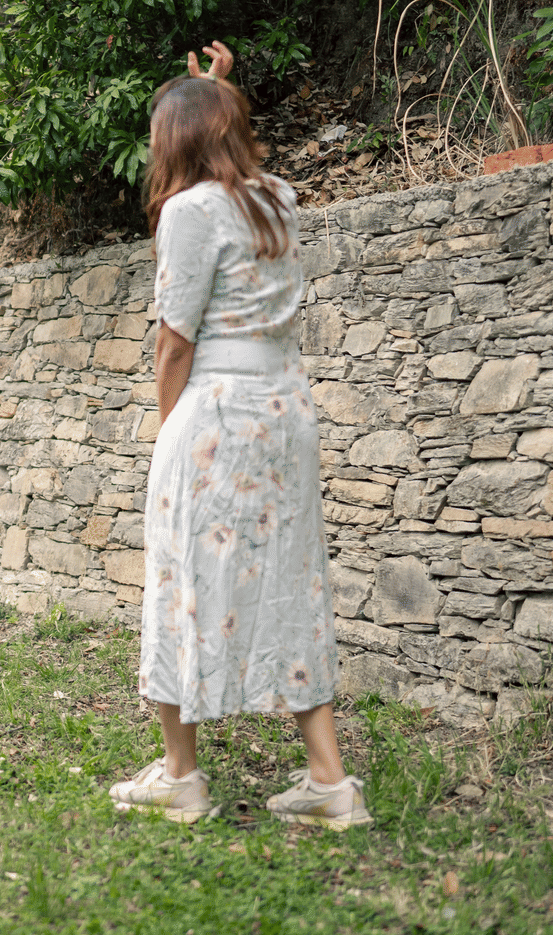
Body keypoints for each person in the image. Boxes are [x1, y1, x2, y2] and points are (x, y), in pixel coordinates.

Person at [107, 42, 372, 830]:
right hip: (284, 407)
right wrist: (212, 91)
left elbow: (175, 339)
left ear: (176, 141)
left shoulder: (187, 212)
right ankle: (329, 780)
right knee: (292, 580)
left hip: (216, 412)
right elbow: (230, 157)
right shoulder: (278, 198)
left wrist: (166, 426)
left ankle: (181, 774)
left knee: (182, 573)